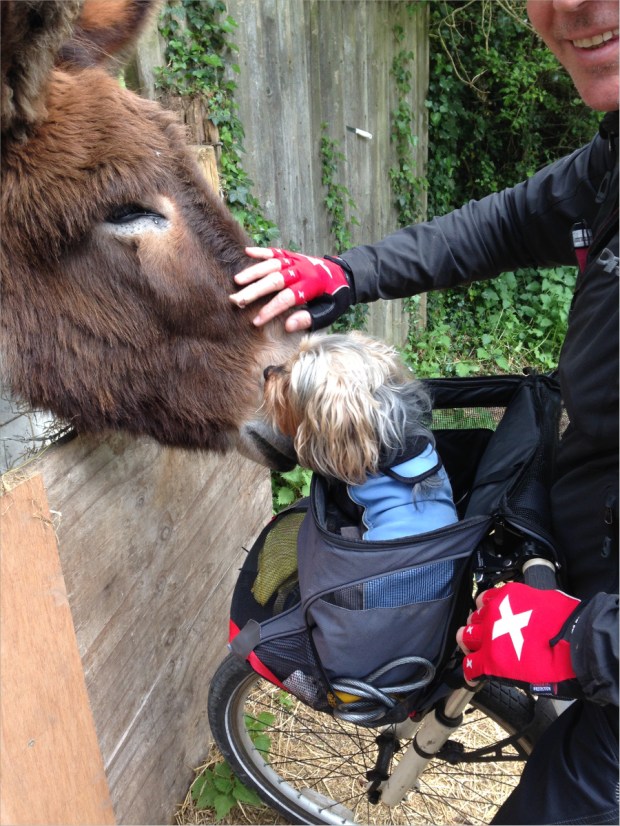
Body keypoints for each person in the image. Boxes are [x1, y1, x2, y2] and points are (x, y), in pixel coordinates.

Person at [229, 0, 618, 823]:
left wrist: (593, 641)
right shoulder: (614, 160)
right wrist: (348, 273)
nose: (570, 7)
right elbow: (507, 221)